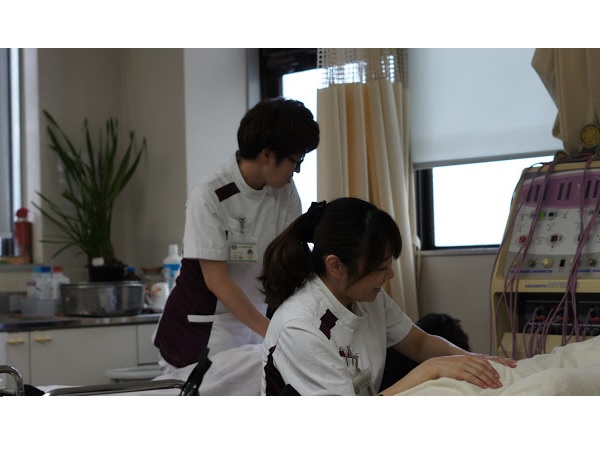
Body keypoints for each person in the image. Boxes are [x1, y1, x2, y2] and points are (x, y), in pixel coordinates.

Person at [259, 197, 516, 395]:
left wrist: (476, 360)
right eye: (381, 268)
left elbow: (419, 343)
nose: (390, 275)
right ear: (336, 266)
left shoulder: (366, 298)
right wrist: (431, 368)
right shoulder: (301, 328)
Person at [154, 97, 320, 372]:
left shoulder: (285, 193)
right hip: (202, 331)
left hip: (252, 323)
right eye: (296, 160)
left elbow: (289, 261)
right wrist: (274, 331)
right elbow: (216, 280)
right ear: (267, 155)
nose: (297, 171)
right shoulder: (209, 196)